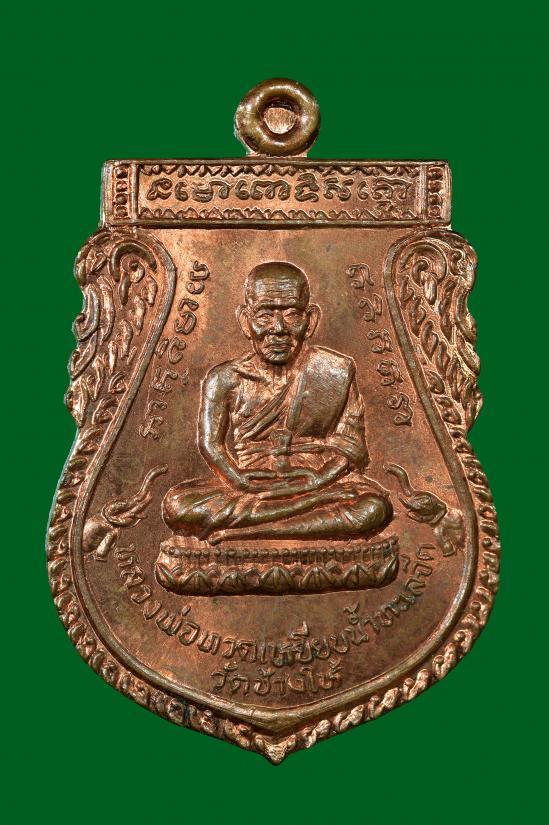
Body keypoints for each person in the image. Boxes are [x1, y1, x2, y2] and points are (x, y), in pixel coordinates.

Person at [162, 261, 392, 545]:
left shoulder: (335, 371)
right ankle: (301, 514)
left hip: (318, 480)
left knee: (373, 509)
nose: (279, 328)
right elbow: (211, 444)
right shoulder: (224, 378)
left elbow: (351, 446)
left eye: (292, 314)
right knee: (177, 506)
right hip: (250, 484)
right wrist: (237, 479)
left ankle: (251, 532)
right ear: (245, 320)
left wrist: (318, 481)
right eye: (265, 315)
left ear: (311, 320)